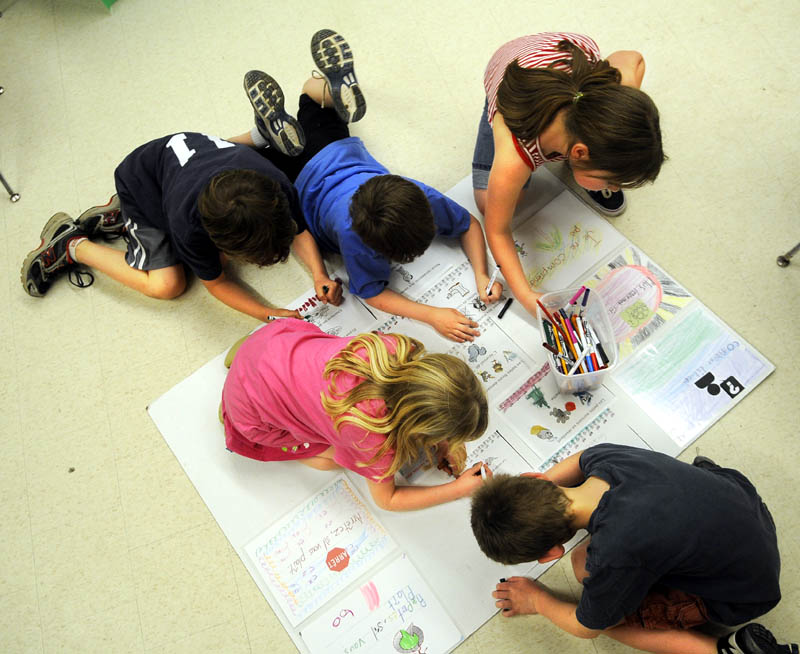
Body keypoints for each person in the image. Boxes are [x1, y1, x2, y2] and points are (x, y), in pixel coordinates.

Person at [228, 29, 503, 343]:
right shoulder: (357, 236)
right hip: (298, 176)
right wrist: (431, 315)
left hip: (332, 147)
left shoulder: (412, 192)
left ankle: (282, 121)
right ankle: (265, 133)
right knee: (239, 164)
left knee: (304, 100)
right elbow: (371, 293)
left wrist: (481, 274)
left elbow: (467, 224)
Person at [470, 444, 797, 654]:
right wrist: (535, 492)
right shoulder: (605, 457)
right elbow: (579, 459)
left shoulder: (615, 554)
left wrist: (537, 601)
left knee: (609, 618)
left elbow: (587, 627)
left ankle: (722, 650)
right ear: (537, 477)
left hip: (743, 592)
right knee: (586, 562)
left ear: (551, 553)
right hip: (747, 510)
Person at [20, 132, 342, 320]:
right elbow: (216, 284)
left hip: (187, 162)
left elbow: (298, 230)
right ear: (214, 238)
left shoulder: (274, 185)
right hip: (141, 182)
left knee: (215, 260)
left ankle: (119, 218)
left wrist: (320, 275)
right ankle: (73, 245)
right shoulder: (188, 225)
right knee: (168, 285)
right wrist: (265, 312)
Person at [473, 32, 665, 318]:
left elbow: (633, 59)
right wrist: (526, 296)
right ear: (579, 153)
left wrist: (622, 108)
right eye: (610, 180)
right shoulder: (516, 152)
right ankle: (490, 112)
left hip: (560, 63)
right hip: (509, 86)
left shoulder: (606, 91)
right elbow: (497, 230)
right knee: (489, 203)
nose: (613, 188)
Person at [221, 318, 492, 511]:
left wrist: (445, 441)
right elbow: (387, 500)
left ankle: (241, 360)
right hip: (250, 410)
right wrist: (457, 490)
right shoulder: (371, 437)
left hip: (272, 340)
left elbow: (426, 399)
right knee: (331, 461)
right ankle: (228, 414)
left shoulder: (395, 347)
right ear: (419, 428)